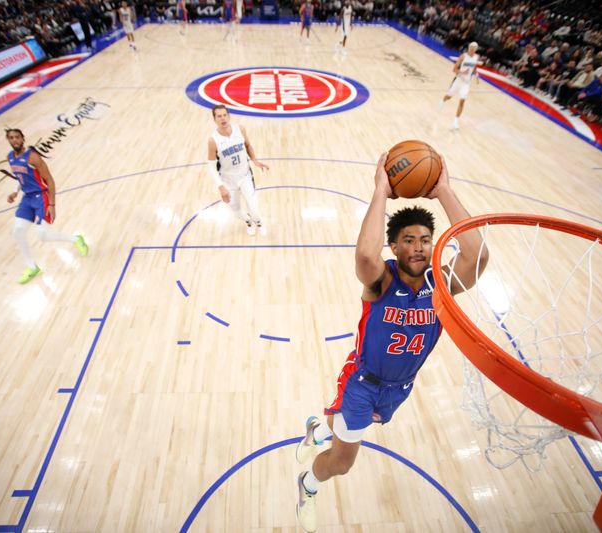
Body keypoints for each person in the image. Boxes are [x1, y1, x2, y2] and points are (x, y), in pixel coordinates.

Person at [294, 153, 489, 532]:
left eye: (425, 240)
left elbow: (477, 254)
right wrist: (381, 189)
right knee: (342, 463)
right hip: (361, 383)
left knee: (342, 428)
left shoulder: (442, 286)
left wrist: (444, 190)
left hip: (399, 388)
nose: (418, 247)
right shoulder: (381, 280)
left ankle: (316, 428)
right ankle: (308, 484)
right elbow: (365, 254)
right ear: (395, 247)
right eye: (408, 240)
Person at [4, 129, 89, 284]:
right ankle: (32, 267)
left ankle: (76, 239)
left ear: (23, 138)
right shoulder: (10, 157)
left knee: (43, 235)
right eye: (11, 138)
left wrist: (52, 204)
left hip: (41, 197)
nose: (14, 140)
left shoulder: (33, 157)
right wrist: (14, 191)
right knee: (18, 231)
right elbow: (20, 177)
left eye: (17, 137)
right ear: (8, 140)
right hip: (27, 198)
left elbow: (49, 180)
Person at [206, 105, 270, 236]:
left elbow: (247, 145)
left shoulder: (240, 129)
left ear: (228, 116)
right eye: (219, 116)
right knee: (236, 211)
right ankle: (248, 221)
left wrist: (254, 160)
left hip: (245, 175)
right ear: (214, 119)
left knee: (254, 209)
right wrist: (221, 187)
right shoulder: (213, 140)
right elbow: (211, 167)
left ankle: (259, 223)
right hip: (228, 181)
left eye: (225, 115)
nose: (223, 118)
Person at [439, 41, 481, 130]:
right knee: (449, 96)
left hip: (466, 83)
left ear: (476, 49)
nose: (472, 49)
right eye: (471, 47)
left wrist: (476, 74)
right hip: (458, 80)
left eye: (474, 48)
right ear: (469, 48)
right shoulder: (463, 56)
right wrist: (462, 72)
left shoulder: (476, 57)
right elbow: (454, 69)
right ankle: (442, 101)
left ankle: (455, 122)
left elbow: (474, 67)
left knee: (462, 101)